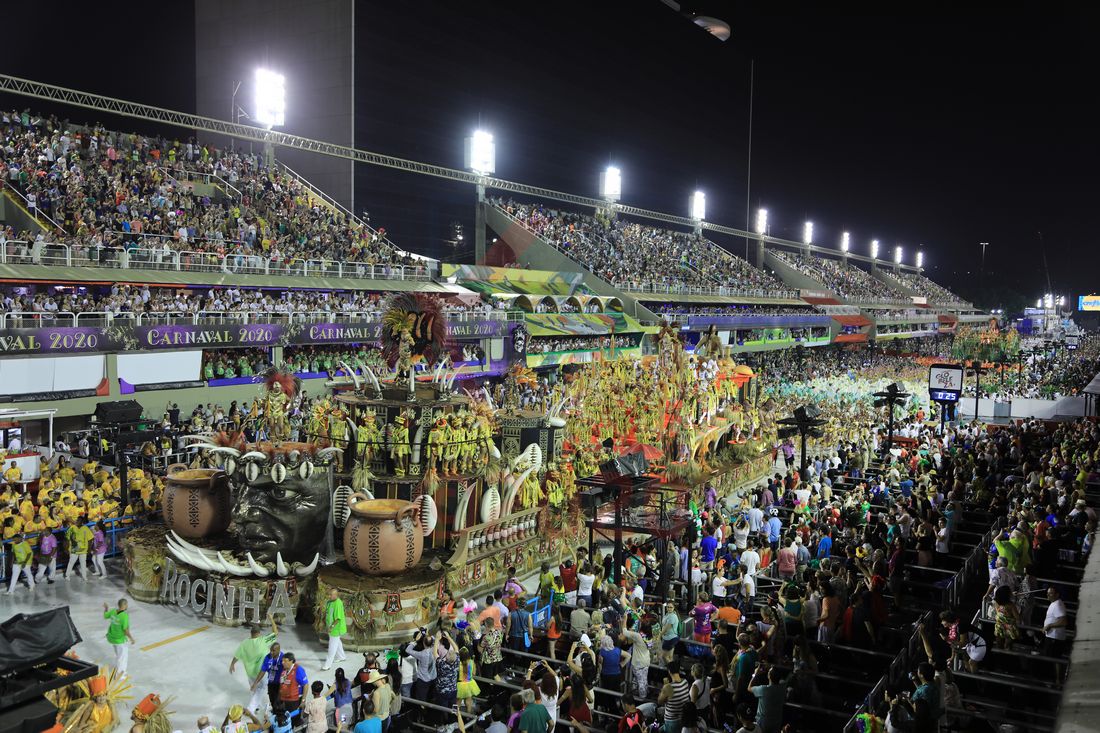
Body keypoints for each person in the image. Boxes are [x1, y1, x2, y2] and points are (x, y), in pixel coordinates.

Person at [230, 615, 278, 714]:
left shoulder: (244, 643)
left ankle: (256, 707)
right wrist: (271, 619)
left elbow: (237, 655)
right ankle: (251, 709)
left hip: (250, 673)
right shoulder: (263, 640)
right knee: (261, 688)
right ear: (259, 633)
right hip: (261, 673)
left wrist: (232, 664)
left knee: (254, 690)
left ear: (251, 633)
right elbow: (276, 632)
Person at [748, 665, 787, 733]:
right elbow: (781, 679)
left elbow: (749, 688)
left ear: (768, 676)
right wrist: (772, 670)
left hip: (763, 722)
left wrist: (755, 674)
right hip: (777, 721)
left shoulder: (764, 689)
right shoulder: (782, 687)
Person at [103, 599, 135, 675]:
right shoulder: (124, 616)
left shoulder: (113, 611)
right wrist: (131, 638)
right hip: (120, 640)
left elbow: (105, 616)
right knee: (123, 658)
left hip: (112, 638)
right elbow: (125, 630)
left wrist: (106, 608)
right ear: (124, 605)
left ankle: (118, 668)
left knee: (119, 654)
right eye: (126, 604)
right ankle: (121, 675)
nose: (127, 606)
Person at [657, 659, 690, 733]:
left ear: (669, 671)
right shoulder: (685, 682)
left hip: (671, 721)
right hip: (682, 718)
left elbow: (659, 701)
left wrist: (665, 686)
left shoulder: (669, 687)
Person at [322, 588, 349, 671]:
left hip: (336, 628)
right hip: (331, 627)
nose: (329, 596)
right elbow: (327, 613)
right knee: (337, 642)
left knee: (332, 646)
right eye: (329, 594)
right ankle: (341, 656)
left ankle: (327, 664)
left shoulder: (338, 603)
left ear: (336, 595)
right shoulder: (330, 602)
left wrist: (331, 627)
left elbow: (338, 618)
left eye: (331, 595)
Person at [259, 642, 285, 712]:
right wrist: (256, 682)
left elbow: (287, 672)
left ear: (278, 650)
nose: (271, 652)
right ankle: (275, 716)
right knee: (273, 702)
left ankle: (280, 717)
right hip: (271, 683)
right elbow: (263, 670)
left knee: (279, 703)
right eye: (270, 650)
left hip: (280, 685)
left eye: (273, 650)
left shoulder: (283, 658)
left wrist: (283, 686)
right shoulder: (267, 657)